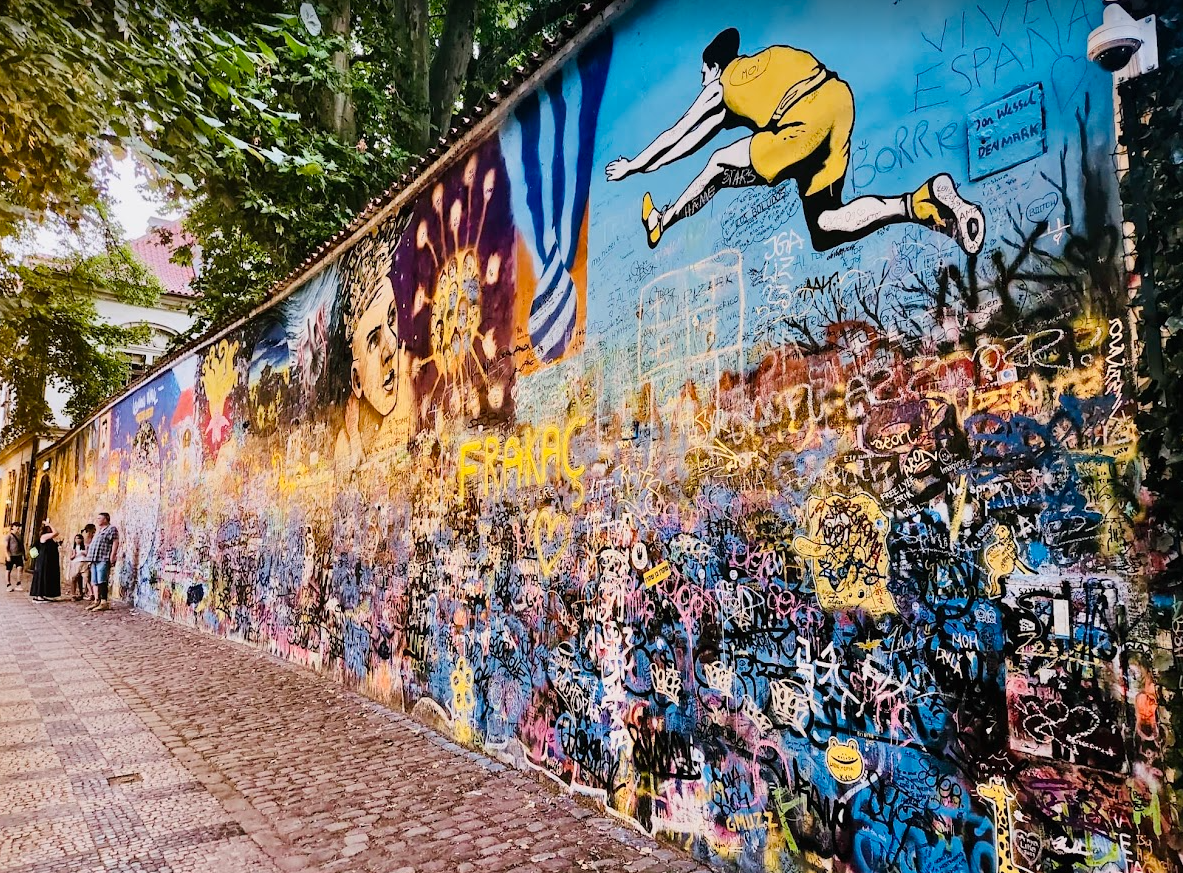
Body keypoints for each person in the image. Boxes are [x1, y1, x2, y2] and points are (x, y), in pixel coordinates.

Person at [605, 28, 985, 255]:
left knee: (719, 165)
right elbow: (693, 140)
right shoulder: (766, 63)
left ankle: (662, 221)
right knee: (824, 224)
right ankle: (918, 202)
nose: (702, 82)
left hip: (800, 120)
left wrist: (634, 166)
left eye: (702, 74)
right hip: (836, 101)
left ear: (714, 67)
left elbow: (679, 134)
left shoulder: (721, 85)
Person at [86, 512, 119, 613]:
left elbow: (115, 541)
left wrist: (112, 555)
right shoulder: (99, 530)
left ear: (105, 519)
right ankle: (97, 600)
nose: (98, 520)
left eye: (100, 518)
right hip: (94, 558)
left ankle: (104, 602)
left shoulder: (111, 529)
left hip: (103, 557)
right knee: (94, 581)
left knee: (102, 580)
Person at [29, 520, 61, 602]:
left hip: (47, 560)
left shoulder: (48, 539)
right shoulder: (44, 536)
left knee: (45, 576)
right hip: (43, 560)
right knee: (41, 576)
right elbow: (56, 532)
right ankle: (38, 595)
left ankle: (41, 594)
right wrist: (49, 524)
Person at [67, 533, 88, 601]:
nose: (77, 540)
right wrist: (74, 554)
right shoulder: (73, 547)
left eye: (79, 538)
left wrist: (83, 553)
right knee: (74, 578)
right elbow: (71, 557)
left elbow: (87, 554)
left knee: (82, 579)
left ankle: (81, 593)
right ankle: (73, 594)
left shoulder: (85, 546)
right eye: (76, 538)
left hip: (83, 563)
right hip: (75, 563)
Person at [5, 522, 24, 592]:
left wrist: (24, 555)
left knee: (20, 568)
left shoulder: (20, 536)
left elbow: (22, 546)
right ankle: (8, 584)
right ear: (12, 527)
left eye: (19, 526)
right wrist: (7, 555)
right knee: (8, 570)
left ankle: (18, 584)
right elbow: (6, 547)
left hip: (18, 555)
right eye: (16, 526)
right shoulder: (9, 536)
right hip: (11, 555)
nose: (18, 528)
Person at [80, 523, 96, 602]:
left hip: (87, 559)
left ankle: (90, 593)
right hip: (88, 560)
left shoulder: (89, 539)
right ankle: (89, 592)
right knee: (87, 578)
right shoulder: (90, 538)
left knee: (87, 578)